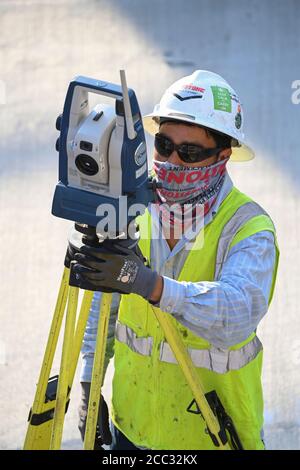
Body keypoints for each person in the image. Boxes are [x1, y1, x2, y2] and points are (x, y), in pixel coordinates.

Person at [75, 70, 279, 450]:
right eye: (163, 145)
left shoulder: (248, 227)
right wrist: (89, 378)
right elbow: (105, 303)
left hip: (212, 436)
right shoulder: (135, 206)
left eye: (189, 153)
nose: (171, 161)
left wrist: (151, 285)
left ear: (223, 156)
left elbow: (235, 315)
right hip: (133, 430)